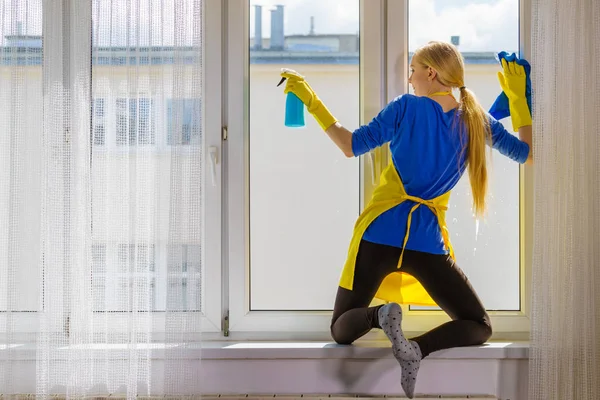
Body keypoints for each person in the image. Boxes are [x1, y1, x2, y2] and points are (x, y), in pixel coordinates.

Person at [280, 41, 533, 399]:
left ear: (431, 73)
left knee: (341, 329)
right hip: (426, 245)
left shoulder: (405, 108)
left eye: (413, 69)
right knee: (479, 325)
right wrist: (518, 103)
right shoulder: (476, 120)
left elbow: (350, 144)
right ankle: (417, 349)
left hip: (380, 234)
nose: (410, 78)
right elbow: (525, 152)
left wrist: (310, 99)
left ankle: (381, 316)